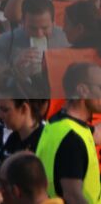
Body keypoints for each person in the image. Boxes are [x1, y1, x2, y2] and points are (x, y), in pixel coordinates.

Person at [37, 62, 101, 204]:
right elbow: (72, 196)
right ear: (82, 90)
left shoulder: (57, 123)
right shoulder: (72, 139)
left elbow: (96, 134)